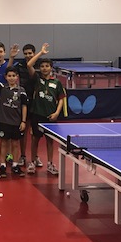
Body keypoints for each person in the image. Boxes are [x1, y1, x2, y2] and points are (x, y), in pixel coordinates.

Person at [26, 43, 67, 176]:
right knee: (35, 140)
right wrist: (41, 53)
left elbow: (61, 99)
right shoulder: (37, 80)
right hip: (37, 114)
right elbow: (29, 65)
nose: (44, 68)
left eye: (47, 66)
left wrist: (57, 113)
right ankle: (32, 162)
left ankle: (50, 164)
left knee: (50, 141)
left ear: (51, 68)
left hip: (50, 116)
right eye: (42, 66)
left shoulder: (57, 82)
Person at [0, 66, 28, 177]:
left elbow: (24, 106)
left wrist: (23, 121)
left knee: (15, 144)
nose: (11, 78)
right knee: (3, 143)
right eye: (9, 76)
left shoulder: (22, 91)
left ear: (17, 77)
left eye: (13, 76)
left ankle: (15, 165)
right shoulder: (2, 88)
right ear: (5, 77)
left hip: (16, 122)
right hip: (3, 121)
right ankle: (3, 165)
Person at [14, 43, 37, 167]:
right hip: (23, 100)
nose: (28, 55)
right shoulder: (20, 65)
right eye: (26, 53)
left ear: (34, 53)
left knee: (35, 133)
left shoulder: (39, 64)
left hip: (36, 102)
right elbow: (10, 73)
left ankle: (35, 157)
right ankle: (22, 156)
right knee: (24, 130)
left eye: (30, 53)